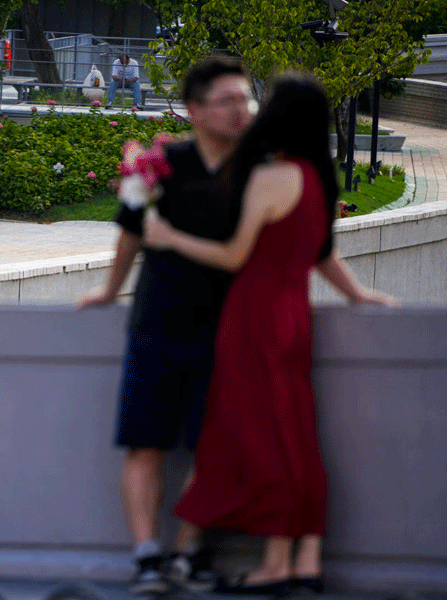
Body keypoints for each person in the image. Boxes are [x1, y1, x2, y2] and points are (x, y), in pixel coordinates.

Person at [142, 71, 392, 596]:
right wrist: (357, 295)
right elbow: (321, 254)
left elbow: (235, 256)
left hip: (253, 317)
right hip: (293, 316)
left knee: (258, 440)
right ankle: (306, 558)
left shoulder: (270, 176)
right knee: (296, 434)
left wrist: (168, 235)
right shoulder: (318, 178)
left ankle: (276, 562)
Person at [78, 57, 257, 594]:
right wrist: (109, 291)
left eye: (245, 99)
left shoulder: (255, 170)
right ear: (195, 111)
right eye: (227, 100)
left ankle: (187, 552)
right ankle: (147, 557)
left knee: (212, 447)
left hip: (226, 328)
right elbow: (131, 234)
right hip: (156, 321)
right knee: (145, 443)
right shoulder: (163, 164)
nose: (240, 110)